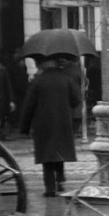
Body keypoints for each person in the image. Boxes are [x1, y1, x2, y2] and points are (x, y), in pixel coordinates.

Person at [19, 56, 81, 197]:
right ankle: (60, 180)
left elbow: (29, 106)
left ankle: (50, 187)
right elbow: (76, 99)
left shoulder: (38, 81)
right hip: (62, 120)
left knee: (47, 155)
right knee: (59, 152)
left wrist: (25, 127)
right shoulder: (66, 78)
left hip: (43, 123)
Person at [0, 55, 15, 140]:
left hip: (1, 98)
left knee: (1, 117)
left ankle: (1, 134)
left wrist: (11, 100)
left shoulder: (2, 70)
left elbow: (8, 85)